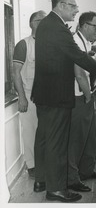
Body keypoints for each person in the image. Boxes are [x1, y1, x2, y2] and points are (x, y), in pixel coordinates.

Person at [31, 0, 96, 203]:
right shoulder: (57, 28)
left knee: (50, 142)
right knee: (58, 144)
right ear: (61, 6)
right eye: (73, 6)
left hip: (47, 95)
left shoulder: (49, 26)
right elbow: (76, 56)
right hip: (55, 96)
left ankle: (47, 183)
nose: (77, 10)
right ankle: (56, 190)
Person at [68, 11, 96, 192]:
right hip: (79, 97)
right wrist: (89, 96)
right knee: (76, 139)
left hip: (87, 94)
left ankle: (86, 171)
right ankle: (72, 179)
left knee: (88, 136)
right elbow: (79, 74)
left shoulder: (87, 43)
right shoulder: (76, 43)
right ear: (85, 26)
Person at [12, 10, 47, 178]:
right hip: (29, 96)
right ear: (33, 23)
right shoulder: (23, 44)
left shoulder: (49, 44)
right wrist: (22, 98)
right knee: (30, 131)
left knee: (46, 131)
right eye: (42, 20)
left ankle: (46, 163)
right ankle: (32, 166)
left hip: (47, 97)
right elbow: (15, 72)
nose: (45, 23)